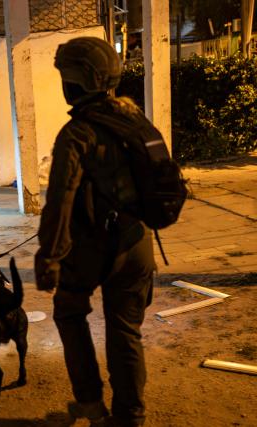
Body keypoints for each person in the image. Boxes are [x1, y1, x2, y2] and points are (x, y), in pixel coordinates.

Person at [34, 37, 156, 427]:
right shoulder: (137, 121)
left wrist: (49, 256)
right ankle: (129, 419)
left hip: (90, 249)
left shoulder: (77, 133)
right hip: (137, 244)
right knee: (125, 331)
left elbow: (59, 203)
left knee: (70, 314)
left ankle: (91, 407)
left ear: (77, 82)